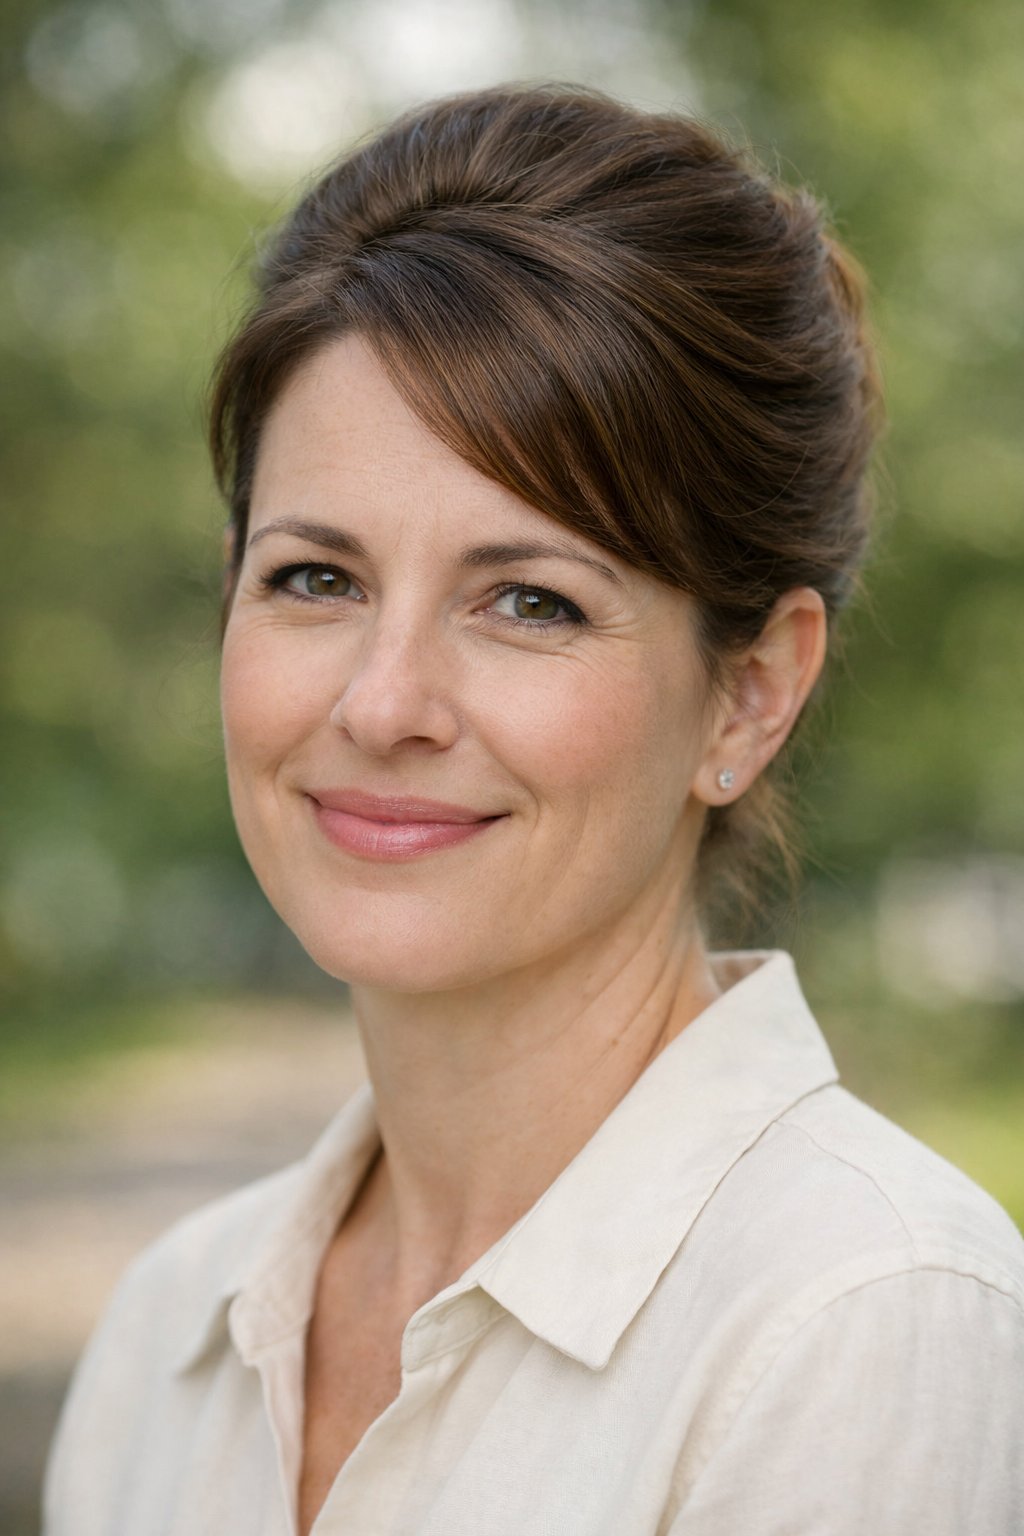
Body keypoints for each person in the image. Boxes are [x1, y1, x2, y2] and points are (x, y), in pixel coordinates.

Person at [44, 82, 1023, 1535]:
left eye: (529, 601)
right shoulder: (166, 1336)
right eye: (318, 578)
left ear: (748, 695)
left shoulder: (858, 1324)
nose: (383, 703)